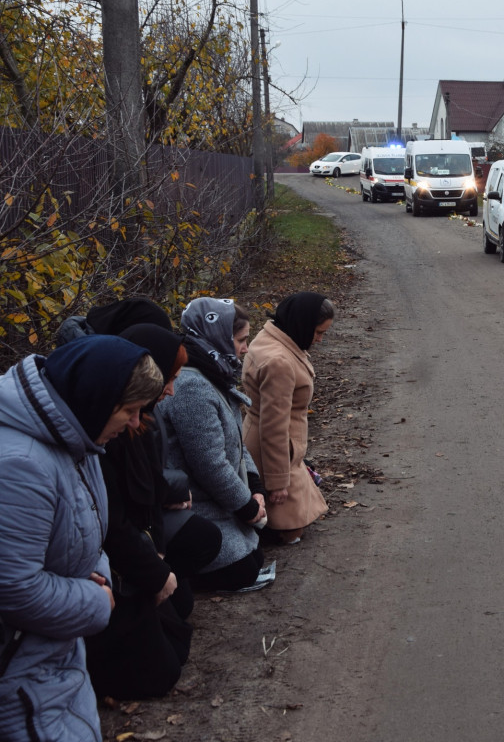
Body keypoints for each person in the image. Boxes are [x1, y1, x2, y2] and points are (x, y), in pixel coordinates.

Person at [0, 335, 163, 742]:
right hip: (20, 672)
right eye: (129, 410)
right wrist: (95, 600)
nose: (134, 424)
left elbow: (87, 530)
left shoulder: (74, 440)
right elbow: (14, 587)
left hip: (53, 652)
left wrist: (97, 574)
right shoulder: (21, 466)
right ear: (96, 398)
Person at [85, 323, 222, 700]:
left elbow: (147, 486)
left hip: (132, 550)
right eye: (170, 377)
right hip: (109, 569)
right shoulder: (109, 436)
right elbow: (113, 520)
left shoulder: (137, 423)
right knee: (162, 667)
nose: (172, 389)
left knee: (180, 612)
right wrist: (154, 569)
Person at [157, 297, 274, 592]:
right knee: (244, 569)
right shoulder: (192, 387)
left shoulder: (214, 373)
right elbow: (208, 463)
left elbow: (234, 439)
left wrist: (256, 487)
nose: (246, 348)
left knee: (254, 557)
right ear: (217, 337)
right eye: (240, 340)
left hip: (220, 502)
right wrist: (247, 506)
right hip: (200, 506)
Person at [242, 292, 333, 544]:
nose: (320, 340)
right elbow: (273, 427)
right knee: (291, 531)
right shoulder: (279, 361)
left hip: (269, 441)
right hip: (273, 451)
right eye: (319, 332)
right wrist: (278, 482)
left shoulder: (272, 336)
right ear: (302, 323)